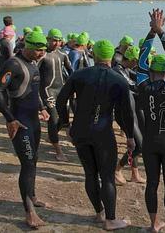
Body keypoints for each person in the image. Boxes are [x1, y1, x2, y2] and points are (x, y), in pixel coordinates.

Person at [57, 39, 135, 231]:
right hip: (103, 134)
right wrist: (130, 136)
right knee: (107, 177)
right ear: (110, 56)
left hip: (80, 132)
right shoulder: (118, 80)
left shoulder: (79, 75)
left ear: (95, 55)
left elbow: (60, 101)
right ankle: (110, 220)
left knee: (90, 174)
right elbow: (127, 113)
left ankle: (99, 213)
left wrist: (66, 123)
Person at [0, 31, 50, 228]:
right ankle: (29, 213)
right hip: (20, 122)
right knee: (27, 164)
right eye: (38, 50)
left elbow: (35, 90)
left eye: (43, 50)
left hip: (34, 121)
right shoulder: (13, 64)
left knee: (34, 160)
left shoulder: (34, 64)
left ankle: (31, 196)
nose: (41, 53)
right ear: (27, 46)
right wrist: (10, 119)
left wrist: (42, 108)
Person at [137, 9, 165, 233]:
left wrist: (151, 32)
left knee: (152, 184)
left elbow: (141, 58)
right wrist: (160, 31)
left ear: (150, 71)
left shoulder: (142, 86)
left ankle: (153, 225)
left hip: (150, 142)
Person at [38, 28, 73, 161]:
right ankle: (58, 150)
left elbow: (71, 72)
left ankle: (51, 136)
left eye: (59, 40)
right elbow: (33, 73)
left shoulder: (63, 54)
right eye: (54, 40)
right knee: (53, 119)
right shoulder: (42, 55)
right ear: (48, 39)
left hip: (61, 90)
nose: (56, 43)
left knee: (63, 120)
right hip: (48, 91)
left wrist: (75, 88)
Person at [113, 46, 146, 185]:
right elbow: (133, 85)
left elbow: (138, 78)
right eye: (137, 61)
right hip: (124, 114)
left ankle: (134, 173)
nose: (137, 64)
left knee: (137, 144)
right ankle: (117, 169)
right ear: (132, 60)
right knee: (139, 145)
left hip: (131, 111)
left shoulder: (126, 69)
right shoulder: (118, 70)